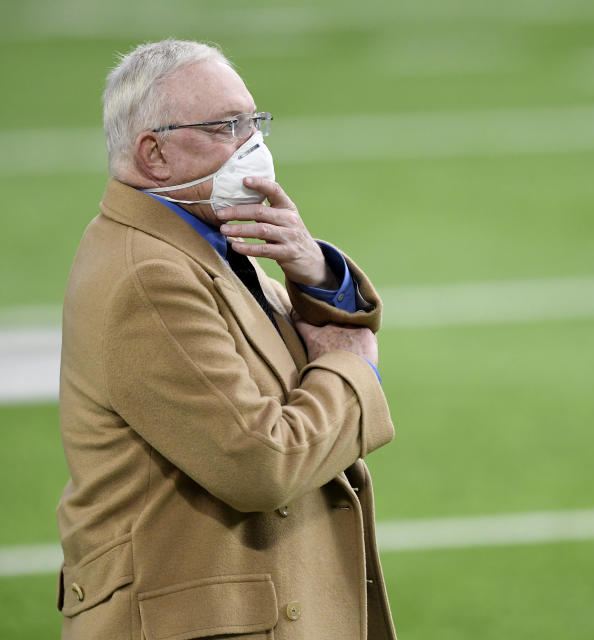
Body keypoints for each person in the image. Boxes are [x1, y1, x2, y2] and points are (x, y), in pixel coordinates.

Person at [56, 39, 397, 639]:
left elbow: (293, 351)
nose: (253, 146)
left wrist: (313, 270)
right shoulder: (150, 277)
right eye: (225, 127)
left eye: (253, 121)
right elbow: (260, 465)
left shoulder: (197, 235)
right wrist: (353, 374)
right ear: (154, 153)